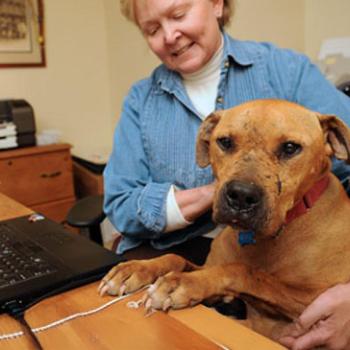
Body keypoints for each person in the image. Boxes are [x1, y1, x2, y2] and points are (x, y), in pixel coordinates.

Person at [103, 0, 350, 348]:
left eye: (178, 15)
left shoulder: (286, 70)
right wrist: (213, 194)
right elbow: (120, 204)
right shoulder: (141, 100)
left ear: (217, 4)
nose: (170, 35)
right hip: (197, 259)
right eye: (152, 29)